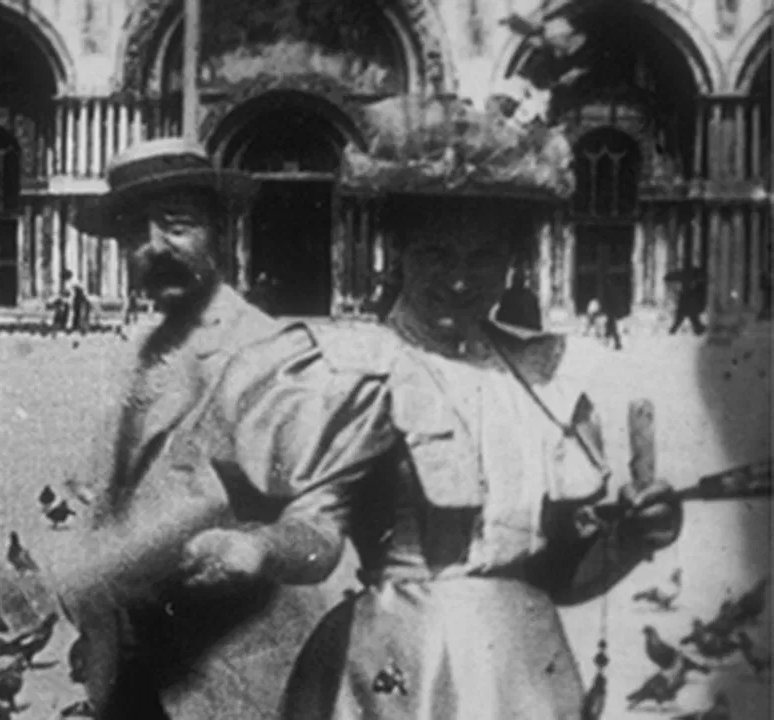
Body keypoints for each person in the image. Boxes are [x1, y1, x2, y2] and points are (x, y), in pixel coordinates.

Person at [57, 96, 683, 720]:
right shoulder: (353, 371)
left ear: (513, 260)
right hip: (406, 667)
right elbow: (318, 534)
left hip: (525, 678)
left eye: (483, 256)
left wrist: (630, 537)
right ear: (396, 250)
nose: (460, 280)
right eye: (437, 254)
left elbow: (556, 578)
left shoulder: (544, 380)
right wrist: (261, 549)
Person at [49, 137, 282, 720]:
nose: (154, 247)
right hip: (129, 668)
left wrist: (91, 566)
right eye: (134, 235)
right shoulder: (139, 352)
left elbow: (224, 494)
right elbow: (103, 494)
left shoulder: (260, 348)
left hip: (219, 673)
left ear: (219, 234)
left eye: (177, 226)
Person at [667, 266, 706, 335]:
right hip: (687, 301)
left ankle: (673, 330)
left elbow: (669, 278)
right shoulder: (692, 277)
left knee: (685, 317)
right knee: (691, 317)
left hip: (686, 301)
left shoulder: (686, 276)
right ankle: (698, 329)